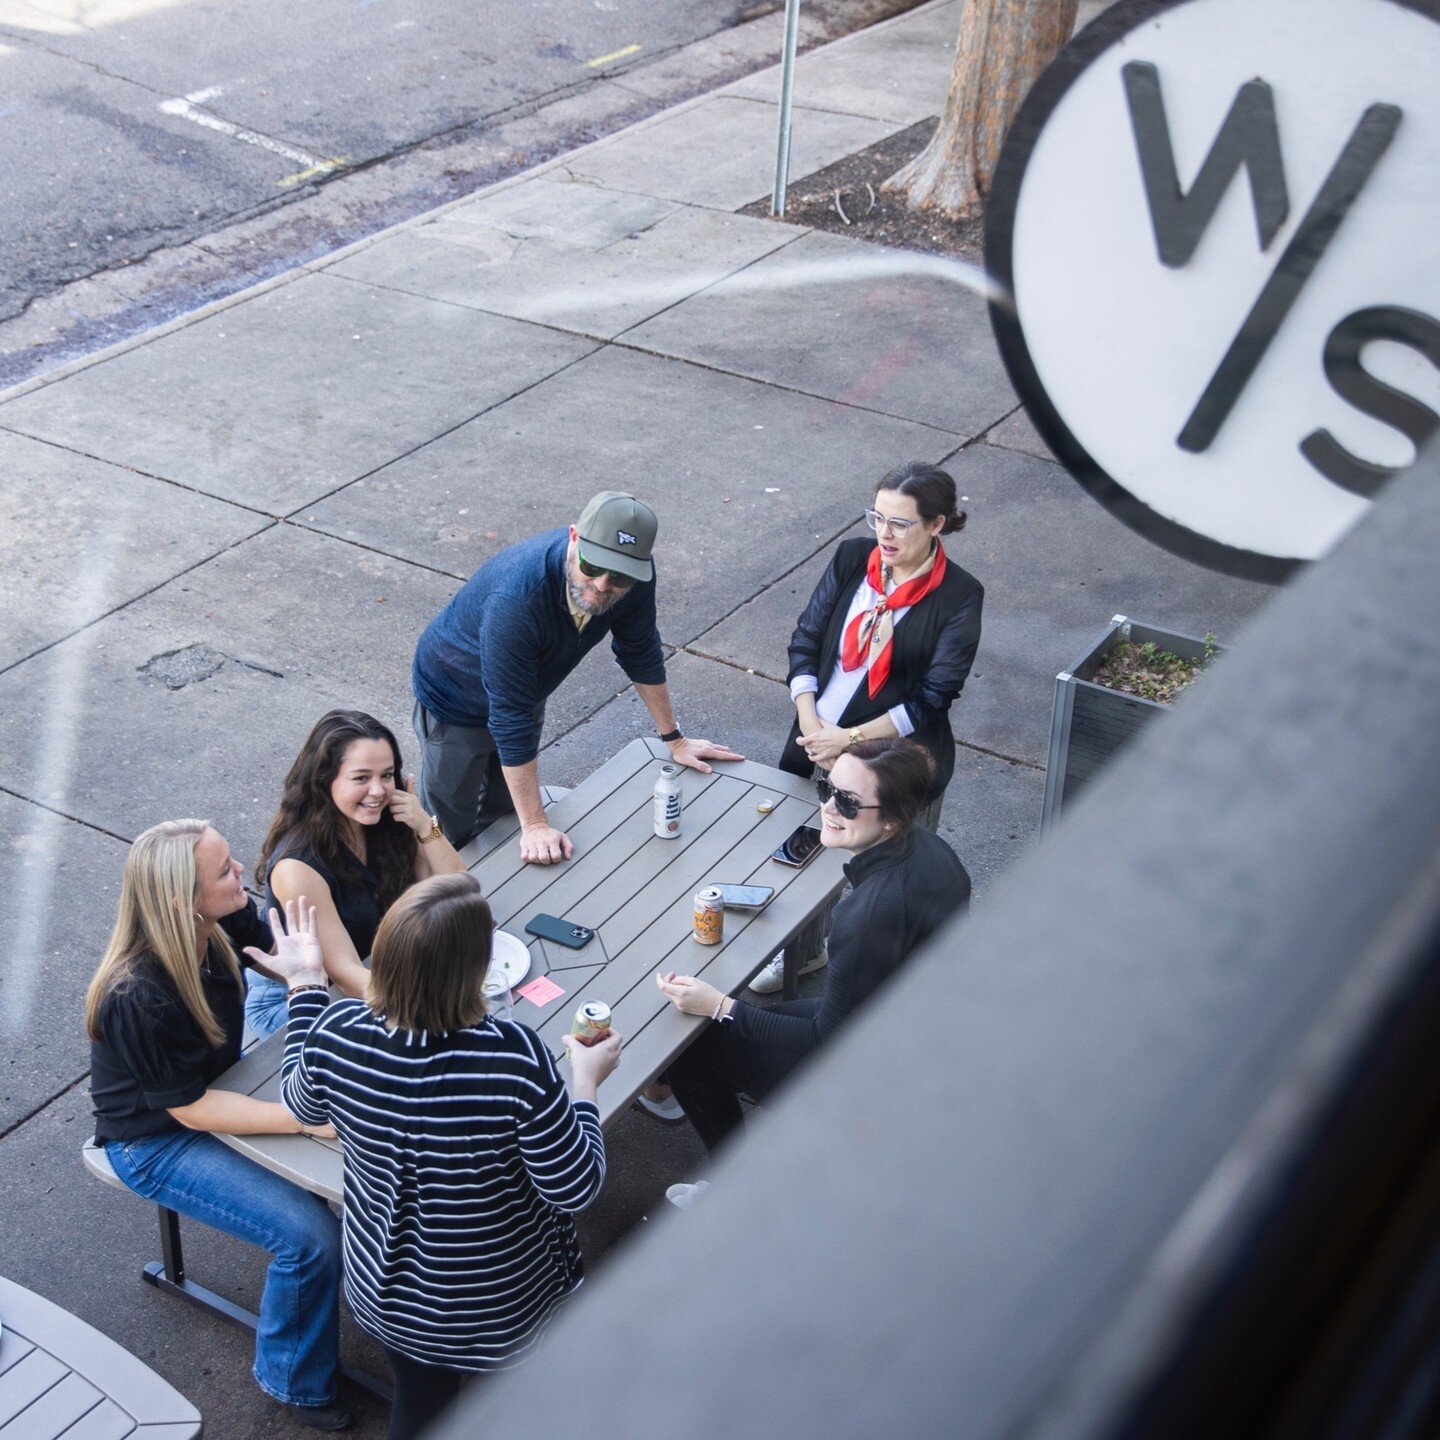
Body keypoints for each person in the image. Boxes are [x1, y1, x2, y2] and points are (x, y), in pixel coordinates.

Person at [262, 874, 621, 1440]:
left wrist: (306, 985)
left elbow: (301, 1102)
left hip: (387, 1291)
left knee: (422, 1404)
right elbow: (575, 1186)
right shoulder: (514, 1058)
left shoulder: (338, 1031)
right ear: (476, 971)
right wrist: (586, 1081)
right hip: (499, 1301)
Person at [86, 821, 349, 1432]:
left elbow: (287, 962)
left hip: (225, 1085)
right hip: (156, 1139)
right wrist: (303, 1121)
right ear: (183, 900)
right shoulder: (136, 994)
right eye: (226, 871)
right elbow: (191, 1111)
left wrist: (319, 984)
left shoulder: (218, 918)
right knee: (309, 1238)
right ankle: (293, 1381)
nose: (243, 877)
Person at [656, 739, 970, 1194]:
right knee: (729, 1030)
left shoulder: (866, 916)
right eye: (828, 787)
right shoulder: (933, 852)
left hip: (872, 1071)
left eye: (847, 802)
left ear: (892, 818)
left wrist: (721, 1005)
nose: (828, 806)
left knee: (690, 1049)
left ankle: (729, 1192)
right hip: (911, 1028)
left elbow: (826, 1036)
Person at [750, 460, 982, 995]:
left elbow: (932, 698)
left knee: (873, 868)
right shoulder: (853, 557)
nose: (884, 534)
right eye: (877, 517)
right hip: (814, 734)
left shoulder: (960, 595)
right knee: (802, 845)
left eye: (900, 523)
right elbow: (806, 640)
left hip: (889, 758)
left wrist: (850, 743)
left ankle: (866, 978)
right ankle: (799, 953)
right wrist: (811, 722)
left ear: (937, 524)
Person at [410, 490, 741, 862]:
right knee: (444, 826)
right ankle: (420, 890)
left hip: (525, 687)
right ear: (573, 537)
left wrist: (674, 739)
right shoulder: (517, 598)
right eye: (593, 565)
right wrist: (536, 824)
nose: (602, 585)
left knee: (502, 815)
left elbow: (641, 652)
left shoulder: (632, 578)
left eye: (619, 576)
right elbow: (509, 716)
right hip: (453, 696)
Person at [244, 710, 467, 1039]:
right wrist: (436, 1003)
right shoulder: (297, 867)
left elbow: (460, 891)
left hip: (376, 966)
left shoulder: (386, 819)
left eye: (387, 775)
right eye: (361, 778)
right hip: (304, 997)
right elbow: (346, 976)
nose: (378, 790)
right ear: (324, 780)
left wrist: (423, 825)